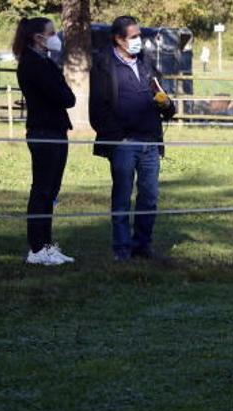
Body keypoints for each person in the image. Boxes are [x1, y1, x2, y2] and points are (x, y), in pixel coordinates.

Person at [89, 16, 175, 261]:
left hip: (150, 143)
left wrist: (167, 105)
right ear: (119, 39)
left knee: (149, 198)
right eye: (134, 37)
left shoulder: (146, 64)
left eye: (140, 36)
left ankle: (142, 245)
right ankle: (122, 249)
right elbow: (97, 110)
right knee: (122, 198)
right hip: (124, 144)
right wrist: (118, 138)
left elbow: (165, 103)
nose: (139, 41)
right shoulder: (104, 66)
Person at [13, 17, 76, 266]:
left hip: (56, 130)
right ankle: (37, 248)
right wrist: (62, 90)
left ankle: (47, 245)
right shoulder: (32, 64)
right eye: (51, 33)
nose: (55, 37)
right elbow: (64, 96)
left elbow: (66, 95)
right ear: (38, 37)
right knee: (41, 190)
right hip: (44, 132)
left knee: (51, 191)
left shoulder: (45, 61)